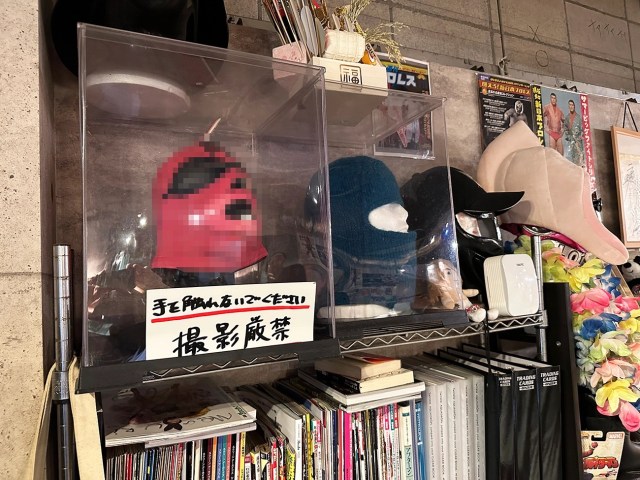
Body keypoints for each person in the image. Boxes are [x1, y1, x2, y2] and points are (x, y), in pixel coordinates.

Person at [563, 99, 585, 167]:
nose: (571, 106)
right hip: (570, 141)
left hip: (578, 141)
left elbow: (582, 129)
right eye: (570, 105)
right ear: (568, 106)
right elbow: (565, 128)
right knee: (570, 159)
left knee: (580, 156)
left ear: (574, 106)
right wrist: (568, 136)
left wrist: (579, 137)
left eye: (572, 105)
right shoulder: (567, 118)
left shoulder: (578, 117)